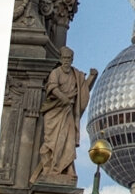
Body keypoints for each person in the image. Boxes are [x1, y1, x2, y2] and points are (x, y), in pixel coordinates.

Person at [35, 47, 97, 179]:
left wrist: (92, 77)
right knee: (51, 141)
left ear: (72, 60)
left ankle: (67, 168)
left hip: (68, 111)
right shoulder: (56, 73)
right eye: (64, 58)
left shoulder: (76, 75)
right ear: (60, 59)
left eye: (69, 58)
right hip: (54, 111)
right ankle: (51, 168)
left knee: (68, 142)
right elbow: (52, 88)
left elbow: (82, 91)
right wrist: (63, 97)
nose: (66, 61)